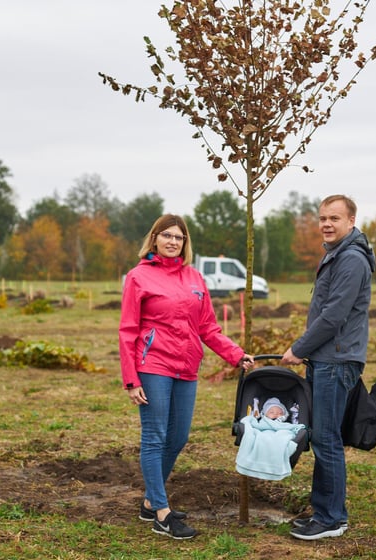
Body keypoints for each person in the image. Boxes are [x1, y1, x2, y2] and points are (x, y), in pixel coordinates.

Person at [119, 214, 255, 540]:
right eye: (166, 235)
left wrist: (236, 354)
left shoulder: (194, 278)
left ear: (185, 242)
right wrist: (131, 379)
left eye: (178, 237)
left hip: (187, 368)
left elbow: (208, 326)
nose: (172, 241)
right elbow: (128, 331)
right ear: (154, 239)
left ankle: (151, 501)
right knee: (154, 437)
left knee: (177, 438)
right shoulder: (139, 277)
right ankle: (162, 515)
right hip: (153, 367)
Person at [280, 195, 375, 541]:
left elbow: (333, 315)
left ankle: (332, 518)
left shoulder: (351, 260)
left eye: (334, 218)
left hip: (335, 360)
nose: (326, 224)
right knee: (323, 436)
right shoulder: (336, 255)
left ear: (351, 221)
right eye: (322, 218)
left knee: (326, 439)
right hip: (326, 358)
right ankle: (323, 511)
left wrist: (298, 349)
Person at [235, 397, 307, 481]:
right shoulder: (261, 422)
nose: (276, 414)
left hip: (281, 432)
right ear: (264, 414)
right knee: (259, 438)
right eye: (271, 412)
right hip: (263, 431)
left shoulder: (285, 424)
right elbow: (251, 422)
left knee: (281, 438)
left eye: (280, 412)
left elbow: (294, 427)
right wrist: (249, 420)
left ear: (285, 415)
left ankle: (272, 465)